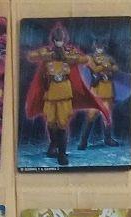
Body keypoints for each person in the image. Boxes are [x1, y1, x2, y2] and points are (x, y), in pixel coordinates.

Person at [24, 24, 106, 166]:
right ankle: (53, 145)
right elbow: (30, 56)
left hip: (64, 92)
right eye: (57, 40)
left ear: (64, 40)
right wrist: (48, 56)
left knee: (62, 123)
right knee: (51, 121)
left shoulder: (70, 51)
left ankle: (61, 154)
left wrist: (68, 57)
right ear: (53, 40)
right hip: (50, 92)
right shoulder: (47, 51)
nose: (59, 42)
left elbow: (84, 59)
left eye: (61, 39)